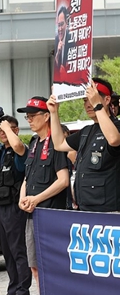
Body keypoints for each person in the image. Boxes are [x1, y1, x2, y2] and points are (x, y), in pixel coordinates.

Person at [47, 78, 120, 213]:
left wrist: (97, 106)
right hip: (86, 208)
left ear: (107, 100)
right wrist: (54, 112)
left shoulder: (118, 127)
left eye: (92, 98)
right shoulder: (86, 131)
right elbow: (59, 144)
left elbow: (113, 139)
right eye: (85, 100)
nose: (88, 104)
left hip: (110, 211)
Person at [17, 97, 69, 289]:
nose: (29, 120)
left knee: (52, 269)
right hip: (32, 215)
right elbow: (27, 177)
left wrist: (36, 199)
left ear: (47, 116)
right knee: (35, 268)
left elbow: (63, 180)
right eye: (27, 117)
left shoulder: (56, 143)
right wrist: (23, 198)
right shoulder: (33, 142)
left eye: (32, 115)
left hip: (50, 214)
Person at [0, 111, 32, 295]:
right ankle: (13, 289)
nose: (4, 133)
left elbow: (18, 146)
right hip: (1, 207)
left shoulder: (21, 150)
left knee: (18, 250)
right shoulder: (1, 152)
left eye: (8, 129)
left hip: (14, 208)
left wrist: (7, 128)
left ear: (17, 130)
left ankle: (22, 290)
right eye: (1, 130)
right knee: (8, 253)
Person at [53, 6, 72, 78]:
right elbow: (56, 67)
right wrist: (58, 53)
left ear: (66, 23)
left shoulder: (72, 39)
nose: (60, 29)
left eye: (61, 24)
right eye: (58, 25)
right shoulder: (56, 39)